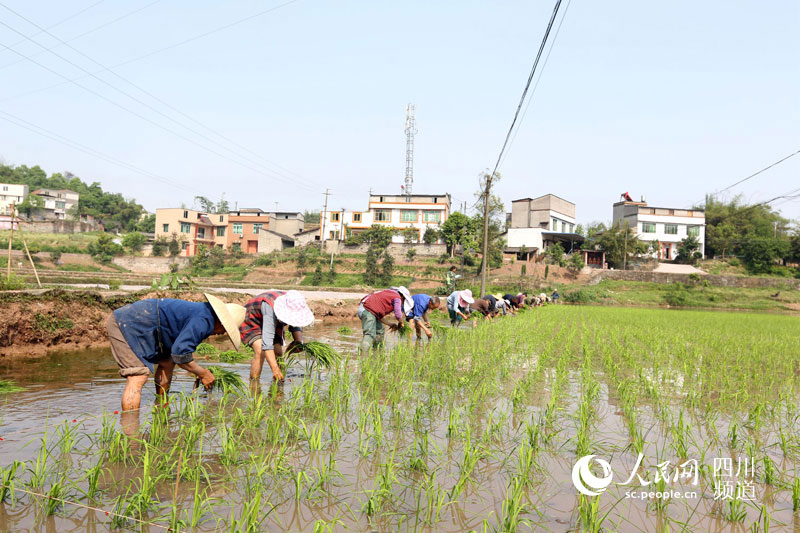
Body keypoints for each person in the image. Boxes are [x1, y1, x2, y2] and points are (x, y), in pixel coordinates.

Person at [106, 293, 245, 412]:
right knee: (138, 376)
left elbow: (176, 355)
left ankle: (162, 407)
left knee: (167, 362)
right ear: (221, 322)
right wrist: (203, 373)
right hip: (128, 323)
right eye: (225, 329)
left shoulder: (204, 314)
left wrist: (197, 370)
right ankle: (131, 435)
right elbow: (181, 355)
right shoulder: (204, 320)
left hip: (147, 325)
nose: (221, 333)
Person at [240, 290, 315, 383]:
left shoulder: (294, 302)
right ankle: (254, 386)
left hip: (270, 319)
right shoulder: (271, 307)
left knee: (278, 353)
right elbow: (267, 345)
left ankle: (279, 384)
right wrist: (275, 369)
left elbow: (295, 322)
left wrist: (298, 341)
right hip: (252, 319)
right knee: (260, 351)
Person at [358, 286, 412, 353]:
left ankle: (377, 352)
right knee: (369, 334)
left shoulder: (389, 294)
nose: (402, 303)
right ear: (403, 297)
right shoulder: (397, 297)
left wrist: (390, 324)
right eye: (404, 301)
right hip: (367, 310)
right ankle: (362, 354)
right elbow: (398, 313)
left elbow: (378, 316)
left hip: (369, 311)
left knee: (380, 331)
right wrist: (401, 322)